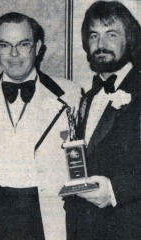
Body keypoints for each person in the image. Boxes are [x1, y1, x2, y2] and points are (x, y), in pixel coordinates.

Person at [0, 12, 81, 240]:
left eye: (23, 44)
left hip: (47, 214)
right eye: (5, 45)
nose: (14, 54)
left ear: (38, 46)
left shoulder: (70, 95)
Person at [64, 1, 141, 239]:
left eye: (111, 34)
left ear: (129, 40)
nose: (101, 44)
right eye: (94, 35)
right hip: (82, 227)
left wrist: (114, 190)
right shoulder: (87, 97)